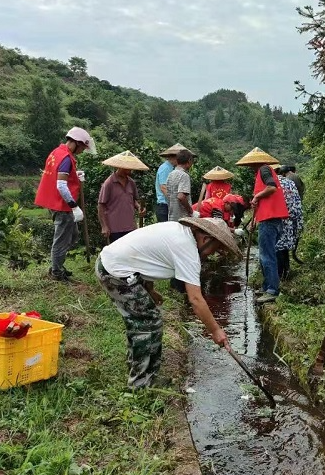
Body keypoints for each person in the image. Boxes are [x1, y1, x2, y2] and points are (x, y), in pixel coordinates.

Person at [95, 217, 241, 389]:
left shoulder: (179, 232)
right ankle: (140, 384)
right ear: (205, 239)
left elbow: (146, 259)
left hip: (112, 265)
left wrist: (149, 290)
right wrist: (215, 330)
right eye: (214, 250)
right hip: (116, 272)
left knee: (140, 322)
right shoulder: (187, 250)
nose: (212, 255)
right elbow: (195, 299)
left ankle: (144, 373)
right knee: (148, 323)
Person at [34, 126, 96, 281]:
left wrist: (75, 174)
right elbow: (61, 185)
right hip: (62, 205)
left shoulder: (57, 152)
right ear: (76, 143)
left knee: (73, 235)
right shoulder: (66, 158)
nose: (82, 151)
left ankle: (58, 264)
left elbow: (59, 174)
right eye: (82, 148)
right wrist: (74, 206)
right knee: (62, 239)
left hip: (54, 201)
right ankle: (56, 272)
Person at [236, 147, 289, 305]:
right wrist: (254, 220)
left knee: (267, 255)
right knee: (265, 254)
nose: (249, 167)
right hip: (269, 219)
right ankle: (267, 286)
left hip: (270, 220)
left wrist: (256, 196)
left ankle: (272, 290)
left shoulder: (264, 170)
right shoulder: (262, 173)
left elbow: (271, 187)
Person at [97, 150, 148, 244]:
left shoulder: (131, 182)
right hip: (114, 228)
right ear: (120, 167)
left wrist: (139, 208)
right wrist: (104, 226)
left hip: (130, 226)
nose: (130, 171)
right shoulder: (109, 183)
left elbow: (132, 200)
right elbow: (101, 205)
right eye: (127, 169)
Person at [275, 167, 303, 280]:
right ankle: (286, 272)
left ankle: (279, 275)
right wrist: (298, 223)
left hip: (277, 220)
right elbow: (297, 203)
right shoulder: (290, 183)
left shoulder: (271, 184)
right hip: (290, 220)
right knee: (284, 246)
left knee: (277, 247)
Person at [155, 144, 184, 222]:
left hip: (168, 205)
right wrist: (173, 202)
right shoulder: (165, 168)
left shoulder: (171, 168)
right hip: (164, 206)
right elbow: (163, 188)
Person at [166, 149, 194, 221]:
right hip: (182, 218)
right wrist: (190, 211)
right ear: (189, 161)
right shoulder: (184, 175)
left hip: (171, 216)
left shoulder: (170, 175)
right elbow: (181, 196)